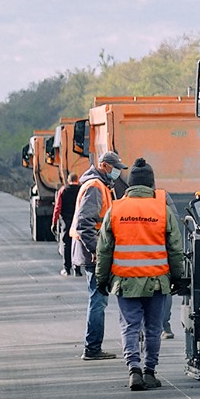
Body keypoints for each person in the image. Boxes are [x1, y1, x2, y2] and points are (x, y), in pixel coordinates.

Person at [94, 158, 186, 391]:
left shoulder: (116, 209)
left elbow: (104, 249)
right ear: (151, 184)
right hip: (157, 281)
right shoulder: (162, 210)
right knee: (153, 328)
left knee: (130, 326)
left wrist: (101, 279)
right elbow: (175, 248)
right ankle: (149, 372)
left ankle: (133, 370)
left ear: (131, 184)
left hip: (125, 281)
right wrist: (178, 278)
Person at [74, 150, 126, 360]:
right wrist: (96, 250)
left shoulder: (101, 185)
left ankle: (93, 347)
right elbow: (84, 223)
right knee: (98, 299)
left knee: (98, 298)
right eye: (115, 168)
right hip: (94, 254)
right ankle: (92, 348)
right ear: (104, 165)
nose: (118, 173)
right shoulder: (95, 187)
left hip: (93, 251)